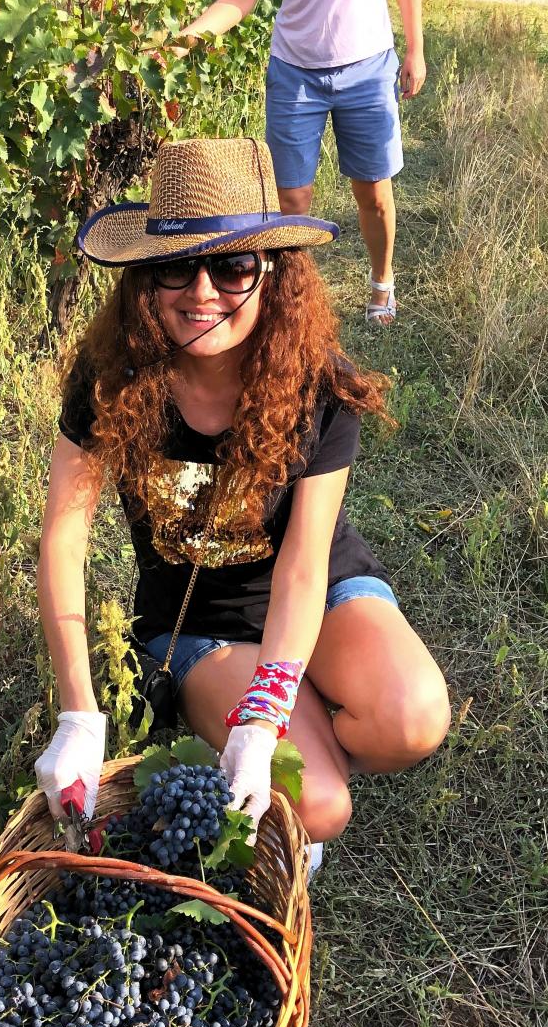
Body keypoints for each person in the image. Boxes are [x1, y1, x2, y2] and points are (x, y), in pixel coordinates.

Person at [33, 137, 449, 862]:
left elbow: (303, 565)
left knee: (413, 718)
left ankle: (287, 714)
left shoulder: (320, 387)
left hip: (315, 596)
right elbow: (63, 543)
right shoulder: (111, 378)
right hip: (201, 620)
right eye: (173, 266)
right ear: (142, 279)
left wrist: (262, 719)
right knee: (320, 804)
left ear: (272, 275)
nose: (201, 292)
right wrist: (79, 713)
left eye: (230, 266)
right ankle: (293, 726)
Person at [173, 0, 425, 324]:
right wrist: (179, 43)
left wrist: (415, 48)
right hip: (295, 72)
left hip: (367, 66)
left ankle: (382, 281)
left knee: (374, 194)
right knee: (290, 198)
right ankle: (293, 297)